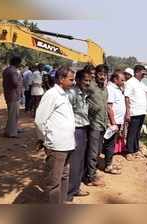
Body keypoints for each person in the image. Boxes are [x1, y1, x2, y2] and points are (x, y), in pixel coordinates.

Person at [34, 66, 76, 204]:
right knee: (54, 182)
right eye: (71, 79)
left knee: (64, 176)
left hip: (67, 144)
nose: (73, 82)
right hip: (56, 145)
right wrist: (44, 140)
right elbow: (40, 120)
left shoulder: (64, 93)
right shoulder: (51, 94)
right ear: (61, 79)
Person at [66, 69, 92, 202]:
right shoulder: (72, 94)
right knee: (75, 162)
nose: (88, 83)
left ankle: (75, 188)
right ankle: (69, 193)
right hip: (76, 129)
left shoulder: (84, 93)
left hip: (83, 128)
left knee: (80, 161)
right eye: (85, 80)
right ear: (78, 80)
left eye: (89, 80)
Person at [84, 64, 109, 187]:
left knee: (98, 151)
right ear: (96, 74)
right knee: (93, 153)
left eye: (105, 74)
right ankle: (90, 178)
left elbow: (105, 106)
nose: (102, 76)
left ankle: (90, 172)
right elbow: (82, 99)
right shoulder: (90, 86)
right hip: (93, 124)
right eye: (100, 74)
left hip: (102, 124)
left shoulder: (104, 88)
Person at [103, 69, 126, 174]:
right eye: (122, 80)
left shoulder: (118, 88)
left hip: (117, 121)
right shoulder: (111, 89)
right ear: (115, 79)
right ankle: (108, 165)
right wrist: (113, 123)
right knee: (110, 143)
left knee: (111, 143)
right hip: (114, 122)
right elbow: (109, 107)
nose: (123, 82)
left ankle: (109, 162)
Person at [2, 56, 23, 138]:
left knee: (14, 114)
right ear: (16, 63)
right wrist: (20, 82)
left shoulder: (6, 70)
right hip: (13, 95)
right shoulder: (13, 71)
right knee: (13, 114)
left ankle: (12, 129)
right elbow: (15, 83)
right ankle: (11, 133)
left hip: (9, 93)